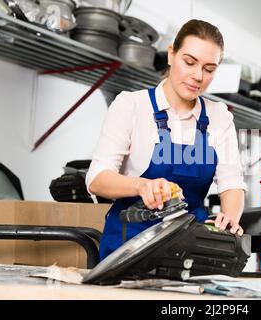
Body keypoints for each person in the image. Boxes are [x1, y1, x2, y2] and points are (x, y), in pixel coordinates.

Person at [86, 19, 247, 260]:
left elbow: (231, 184)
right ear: (171, 55)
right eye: (189, 62)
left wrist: (230, 217)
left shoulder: (219, 116)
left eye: (209, 69)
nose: (197, 76)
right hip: (128, 247)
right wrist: (141, 185)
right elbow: (97, 179)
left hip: (190, 249)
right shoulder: (131, 105)